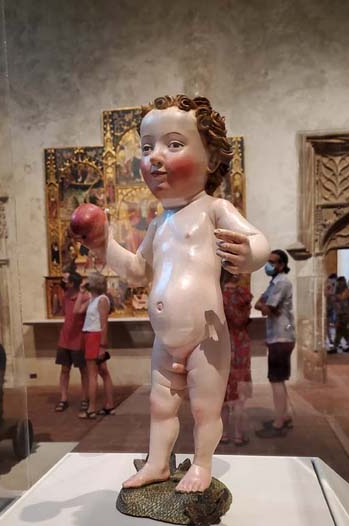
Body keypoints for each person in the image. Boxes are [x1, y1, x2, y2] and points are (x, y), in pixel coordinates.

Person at [75, 94, 269, 492]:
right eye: (147, 148)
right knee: (160, 405)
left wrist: (250, 253)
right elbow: (137, 271)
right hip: (165, 340)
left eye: (174, 144)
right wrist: (103, 244)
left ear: (211, 158)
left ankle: (201, 464)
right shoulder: (159, 224)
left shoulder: (214, 208)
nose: (155, 158)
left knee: (204, 408)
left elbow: (257, 243)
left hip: (205, 336)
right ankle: (158, 463)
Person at [254, 250, 295, 438]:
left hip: (281, 336)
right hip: (277, 336)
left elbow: (268, 308)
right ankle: (284, 415)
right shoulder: (274, 282)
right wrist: (266, 307)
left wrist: (266, 308)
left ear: (281, 265)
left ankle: (278, 422)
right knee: (279, 379)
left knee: (276, 379)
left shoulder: (282, 282)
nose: (268, 265)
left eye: (272, 262)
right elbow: (259, 304)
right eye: (268, 261)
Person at [74, 272, 114, 418]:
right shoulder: (93, 299)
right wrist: (81, 293)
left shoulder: (102, 300)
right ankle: (109, 405)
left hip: (95, 336)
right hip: (90, 336)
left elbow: (104, 324)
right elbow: (77, 310)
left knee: (93, 374)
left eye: (88, 280)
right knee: (103, 371)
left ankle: (91, 408)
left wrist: (102, 346)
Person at [220, 271, 252, 446]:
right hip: (241, 345)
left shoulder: (218, 296)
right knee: (240, 394)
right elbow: (244, 319)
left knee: (222, 394)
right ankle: (238, 435)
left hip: (222, 345)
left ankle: (223, 434)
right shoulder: (243, 295)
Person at [54, 272, 89, 414]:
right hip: (65, 339)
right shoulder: (65, 297)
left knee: (83, 370)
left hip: (79, 339)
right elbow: (62, 313)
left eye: (66, 279)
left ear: (72, 283)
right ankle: (63, 398)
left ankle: (85, 398)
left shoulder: (85, 297)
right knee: (64, 369)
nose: (63, 281)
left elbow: (77, 313)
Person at [327, 276, 349, 353]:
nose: (338, 285)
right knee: (343, 330)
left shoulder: (346, 291)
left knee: (340, 330)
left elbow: (341, 298)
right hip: (341, 313)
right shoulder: (339, 291)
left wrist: (332, 294)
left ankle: (335, 347)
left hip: (344, 314)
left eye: (339, 283)